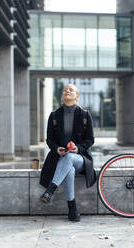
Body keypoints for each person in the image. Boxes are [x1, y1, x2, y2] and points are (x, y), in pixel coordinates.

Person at [39, 84, 96, 222]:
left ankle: (50, 190)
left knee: (70, 158)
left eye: (71, 90)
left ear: (77, 96)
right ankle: (72, 209)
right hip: (61, 158)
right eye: (65, 90)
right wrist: (56, 148)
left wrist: (79, 148)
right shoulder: (54, 115)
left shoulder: (84, 115)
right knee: (68, 169)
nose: (67, 91)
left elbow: (90, 139)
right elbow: (50, 139)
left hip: (80, 159)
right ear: (62, 96)